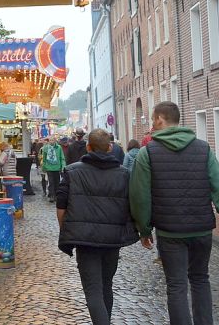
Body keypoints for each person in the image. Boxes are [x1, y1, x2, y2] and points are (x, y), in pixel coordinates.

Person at [129, 102, 219, 325]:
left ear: (160, 119)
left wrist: (143, 229)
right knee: (200, 279)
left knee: (176, 285)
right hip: (201, 229)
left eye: (153, 120)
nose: (152, 124)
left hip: (170, 233)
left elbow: (140, 195)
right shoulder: (202, 148)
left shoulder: (147, 153)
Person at [57, 129, 139, 325]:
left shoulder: (71, 172)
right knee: (105, 285)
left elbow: (61, 207)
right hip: (112, 240)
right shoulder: (124, 174)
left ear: (88, 147)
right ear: (110, 147)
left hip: (85, 240)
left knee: (93, 290)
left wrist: (67, 230)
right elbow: (131, 205)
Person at [41, 136, 66, 203]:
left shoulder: (59, 147)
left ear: (55, 141)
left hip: (57, 167)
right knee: (51, 182)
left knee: (57, 182)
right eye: (50, 140)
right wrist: (43, 167)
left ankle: (57, 195)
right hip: (49, 167)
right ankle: (52, 195)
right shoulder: (46, 148)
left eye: (53, 140)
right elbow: (44, 159)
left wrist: (63, 166)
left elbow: (62, 157)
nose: (51, 141)